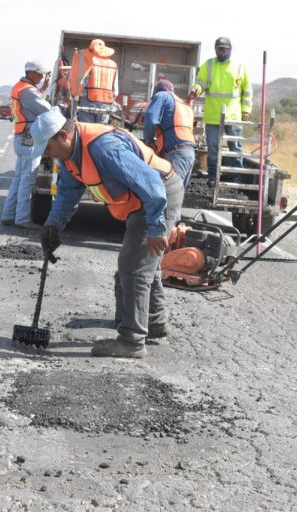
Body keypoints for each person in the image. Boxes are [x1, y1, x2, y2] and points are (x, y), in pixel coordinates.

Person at [31, 110, 183, 359]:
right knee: (144, 263)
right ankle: (154, 323)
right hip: (142, 200)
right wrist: (52, 225)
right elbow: (68, 192)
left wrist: (157, 227)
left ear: (63, 136)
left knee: (133, 267)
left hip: (159, 195)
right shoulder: (70, 156)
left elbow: (152, 185)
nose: (47, 154)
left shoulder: (104, 148)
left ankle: (132, 341)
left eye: (47, 148)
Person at [188, 37, 252, 185]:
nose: (222, 52)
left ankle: (237, 176)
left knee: (235, 146)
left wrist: (246, 110)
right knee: (213, 147)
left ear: (230, 50)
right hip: (213, 115)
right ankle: (213, 176)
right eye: (219, 49)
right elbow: (200, 82)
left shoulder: (240, 68)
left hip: (233, 115)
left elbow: (247, 91)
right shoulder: (209, 65)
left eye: (224, 49)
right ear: (215, 50)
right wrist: (196, 89)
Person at [1, 60, 52, 229]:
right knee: (27, 180)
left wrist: (43, 88)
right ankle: (22, 219)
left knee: (18, 179)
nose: (42, 77)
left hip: (21, 137)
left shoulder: (21, 87)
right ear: (30, 73)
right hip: (29, 138)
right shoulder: (28, 91)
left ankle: (8, 215)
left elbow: (32, 102)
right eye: (39, 74)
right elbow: (46, 110)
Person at [143, 79, 196, 188]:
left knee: (169, 191)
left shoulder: (161, 95)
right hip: (190, 154)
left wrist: (148, 141)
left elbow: (151, 118)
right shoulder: (182, 104)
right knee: (177, 193)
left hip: (176, 154)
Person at [76, 39, 119, 124]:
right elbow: (115, 90)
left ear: (92, 49)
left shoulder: (88, 61)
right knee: (101, 129)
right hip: (106, 102)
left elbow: (80, 82)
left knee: (87, 127)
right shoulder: (113, 64)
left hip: (88, 100)